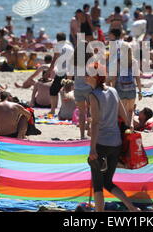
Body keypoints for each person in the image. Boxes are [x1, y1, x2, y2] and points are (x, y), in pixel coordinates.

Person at [85, 63, 140, 212]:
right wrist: (129, 127)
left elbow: (95, 123)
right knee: (108, 182)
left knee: (98, 183)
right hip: (116, 143)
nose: (84, 76)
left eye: (87, 73)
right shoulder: (113, 91)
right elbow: (123, 113)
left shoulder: (93, 95)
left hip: (101, 143)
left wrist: (92, 148)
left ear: (95, 77)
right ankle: (131, 207)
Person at [110, 46, 142, 125]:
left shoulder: (117, 62)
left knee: (121, 113)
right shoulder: (134, 62)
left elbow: (114, 78)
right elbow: (137, 78)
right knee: (130, 111)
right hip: (131, 90)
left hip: (120, 89)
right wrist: (140, 91)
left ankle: (124, 129)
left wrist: (113, 90)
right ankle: (130, 127)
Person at [45, 33, 74, 115]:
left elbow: (54, 59)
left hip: (62, 71)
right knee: (68, 91)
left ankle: (53, 110)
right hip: (71, 71)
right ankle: (69, 110)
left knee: (53, 90)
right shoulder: (70, 46)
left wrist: (49, 71)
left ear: (57, 39)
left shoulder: (58, 46)